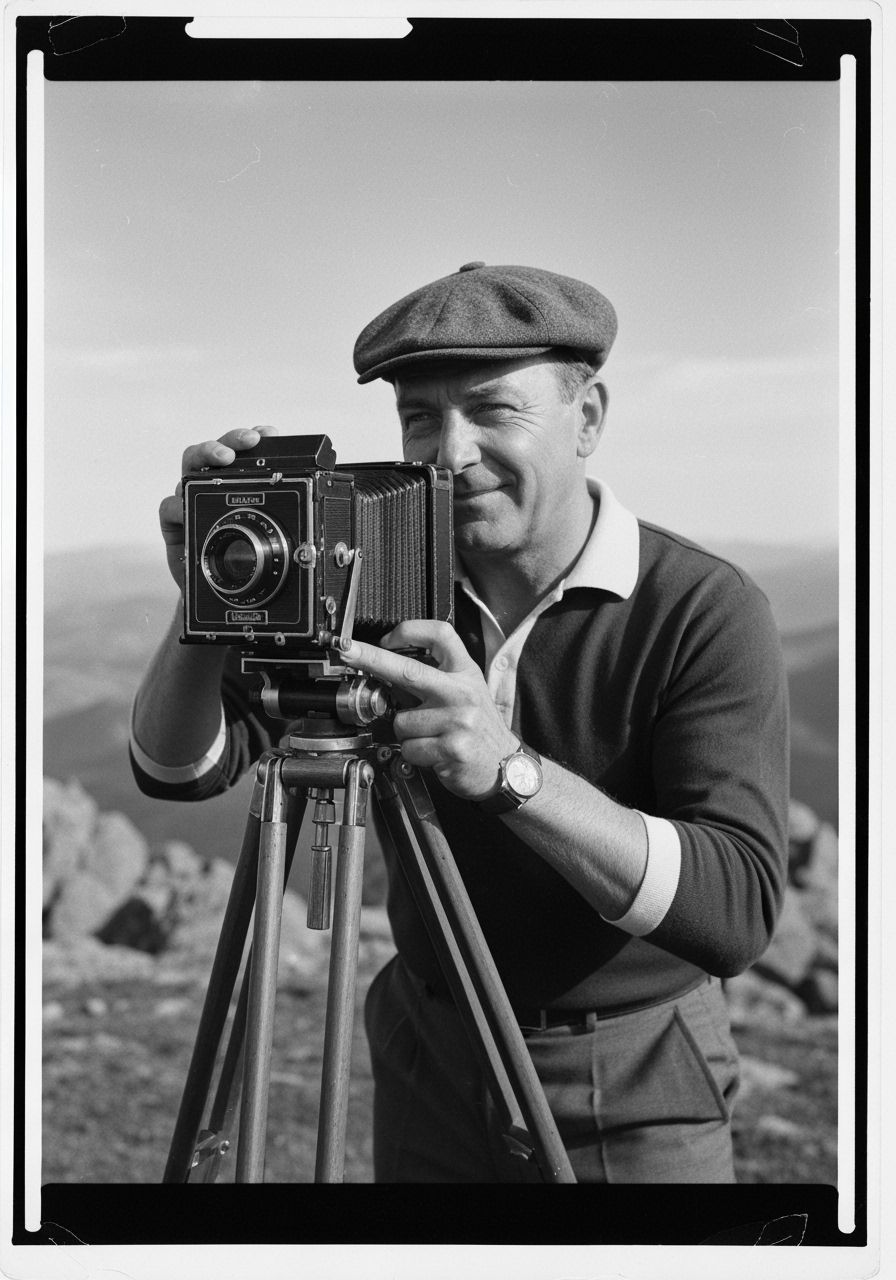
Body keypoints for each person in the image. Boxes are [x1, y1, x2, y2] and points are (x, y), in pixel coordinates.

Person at [131, 261, 789, 1184]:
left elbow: (737, 911)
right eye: (419, 415)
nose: (449, 451)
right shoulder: (368, 576)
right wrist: (208, 597)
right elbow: (177, 768)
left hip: (631, 1070)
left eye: (494, 410)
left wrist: (510, 771)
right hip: (427, 1047)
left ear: (588, 418)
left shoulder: (702, 609)